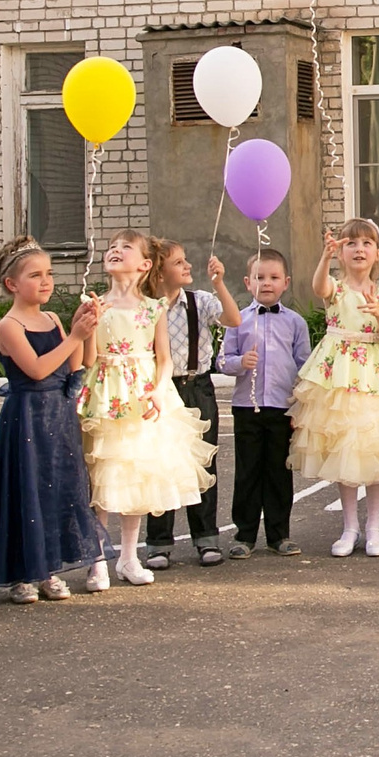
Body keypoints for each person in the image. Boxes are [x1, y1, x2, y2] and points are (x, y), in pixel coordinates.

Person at [73, 230, 215, 586]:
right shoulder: (95, 303)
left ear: (145, 264)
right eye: (111, 247)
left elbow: (164, 358)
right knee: (104, 477)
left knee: (138, 474)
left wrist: (156, 391)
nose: (115, 251)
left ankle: (128, 557)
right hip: (106, 394)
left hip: (142, 393)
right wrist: (88, 325)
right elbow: (88, 359)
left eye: (125, 247)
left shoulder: (154, 308)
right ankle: (98, 560)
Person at [0, 237, 107, 603]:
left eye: (48, 273)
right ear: (11, 284)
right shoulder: (9, 325)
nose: (46, 281)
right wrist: (75, 336)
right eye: (35, 275)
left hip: (58, 417)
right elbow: (35, 370)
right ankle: (23, 573)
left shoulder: (51, 319)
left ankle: (48, 568)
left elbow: (77, 363)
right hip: (27, 418)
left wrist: (87, 328)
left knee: (56, 492)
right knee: (26, 491)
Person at [288, 220, 379, 557]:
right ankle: (349, 526)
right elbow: (318, 287)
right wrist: (324, 257)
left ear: (378, 253)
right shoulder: (335, 287)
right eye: (351, 243)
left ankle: (374, 527)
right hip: (338, 373)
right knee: (344, 450)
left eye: (366, 243)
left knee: (374, 449)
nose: (359, 249)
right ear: (341, 252)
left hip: (374, 374)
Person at [142, 243, 241, 570]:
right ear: (159, 271)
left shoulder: (199, 301)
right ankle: (158, 542)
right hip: (162, 389)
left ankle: (206, 538)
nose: (187, 266)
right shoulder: (146, 307)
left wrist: (219, 283)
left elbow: (233, 319)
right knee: (160, 465)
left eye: (186, 260)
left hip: (198, 388)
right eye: (178, 262)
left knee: (202, 464)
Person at [219, 248, 311, 557]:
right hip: (247, 405)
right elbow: (222, 360)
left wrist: (302, 404)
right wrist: (240, 362)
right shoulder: (237, 320)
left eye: (273, 278)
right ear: (248, 282)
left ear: (285, 282)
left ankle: (279, 534)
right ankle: (244, 535)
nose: (266, 283)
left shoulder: (296, 323)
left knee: (278, 471)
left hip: (281, 406)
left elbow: (304, 365)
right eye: (259, 277)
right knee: (247, 472)